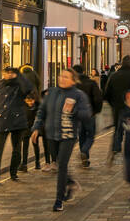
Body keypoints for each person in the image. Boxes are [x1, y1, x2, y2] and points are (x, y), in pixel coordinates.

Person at [31, 68, 93, 212]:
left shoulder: (78, 95)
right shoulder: (51, 92)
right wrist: (36, 127)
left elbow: (86, 115)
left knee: (62, 165)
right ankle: (71, 183)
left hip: (68, 135)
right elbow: (42, 111)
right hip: (51, 134)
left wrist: (74, 110)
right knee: (58, 164)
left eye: (66, 77)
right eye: (60, 76)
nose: (62, 78)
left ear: (73, 80)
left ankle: (59, 200)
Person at [0, 67, 31, 182]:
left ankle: (13, 172)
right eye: (7, 73)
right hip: (2, 120)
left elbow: (28, 89)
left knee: (16, 149)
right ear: (3, 74)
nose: (9, 75)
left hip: (17, 121)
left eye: (12, 73)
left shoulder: (20, 85)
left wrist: (19, 76)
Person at [105, 56, 130, 163]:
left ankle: (116, 149)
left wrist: (113, 104)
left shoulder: (114, 76)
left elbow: (106, 93)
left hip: (117, 107)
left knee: (118, 130)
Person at [73, 65, 103, 168]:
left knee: (81, 135)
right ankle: (85, 152)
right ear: (84, 71)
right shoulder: (91, 83)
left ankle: (84, 156)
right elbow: (98, 99)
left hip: (78, 114)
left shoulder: (74, 85)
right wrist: (96, 111)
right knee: (90, 134)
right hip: (90, 113)